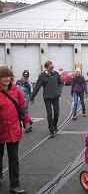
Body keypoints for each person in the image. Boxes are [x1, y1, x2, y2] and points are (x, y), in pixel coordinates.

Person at [0, 66, 30, 194]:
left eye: (8, 76)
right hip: (0, 130)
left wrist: (26, 120)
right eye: (3, 76)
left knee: (13, 159)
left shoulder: (16, 91)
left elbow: (22, 107)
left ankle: (15, 185)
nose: (6, 78)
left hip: (13, 129)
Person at [30, 61, 63, 138]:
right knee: (49, 114)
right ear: (47, 67)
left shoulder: (56, 74)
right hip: (47, 98)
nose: (52, 67)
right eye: (51, 67)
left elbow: (61, 82)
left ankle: (54, 125)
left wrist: (59, 90)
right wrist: (32, 97)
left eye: (53, 66)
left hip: (55, 97)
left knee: (57, 113)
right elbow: (37, 87)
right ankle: (51, 130)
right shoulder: (42, 76)